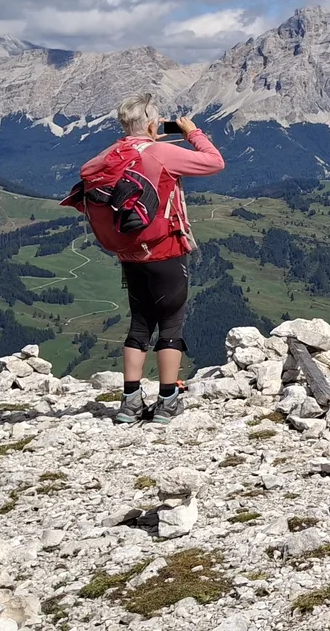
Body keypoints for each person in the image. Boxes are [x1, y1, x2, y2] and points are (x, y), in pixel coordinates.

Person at [73, 93, 225, 424]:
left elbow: (86, 173)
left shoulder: (110, 154)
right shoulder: (161, 152)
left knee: (140, 322)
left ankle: (129, 404)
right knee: (171, 324)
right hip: (165, 248)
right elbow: (215, 162)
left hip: (128, 250)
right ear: (154, 124)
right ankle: (167, 401)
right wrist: (192, 134)